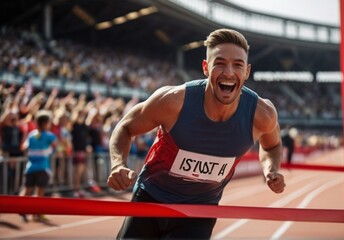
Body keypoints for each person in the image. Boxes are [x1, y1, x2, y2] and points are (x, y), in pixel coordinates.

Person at [107, 28, 286, 239]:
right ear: (205, 67)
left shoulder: (262, 114)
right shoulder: (173, 101)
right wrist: (118, 163)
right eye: (219, 63)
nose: (229, 72)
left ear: (246, 72)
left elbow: (272, 145)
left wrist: (270, 169)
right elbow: (126, 126)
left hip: (200, 210)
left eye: (237, 65)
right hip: (151, 197)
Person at [21, 110, 57, 222]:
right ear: (44, 123)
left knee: (27, 191)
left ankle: (21, 209)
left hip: (30, 167)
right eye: (49, 122)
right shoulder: (49, 135)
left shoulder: (32, 135)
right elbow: (59, 145)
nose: (50, 124)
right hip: (42, 168)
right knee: (40, 193)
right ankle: (37, 213)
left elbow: (24, 148)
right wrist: (50, 150)